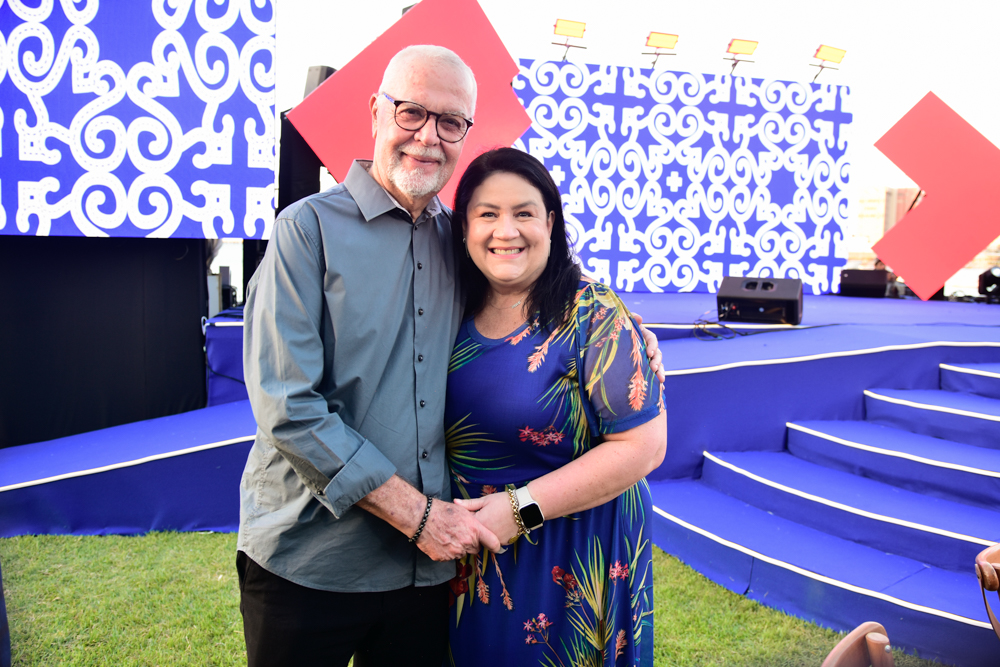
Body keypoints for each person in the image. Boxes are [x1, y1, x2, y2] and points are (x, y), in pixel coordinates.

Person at [238, 45, 663, 667]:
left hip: (427, 574)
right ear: (376, 112)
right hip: (314, 558)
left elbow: (534, 310)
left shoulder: (457, 244)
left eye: (450, 122)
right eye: (411, 113)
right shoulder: (307, 230)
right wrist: (417, 515)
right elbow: (288, 405)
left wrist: (627, 342)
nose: (428, 136)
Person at [443, 147, 667, 667]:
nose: (506, 231)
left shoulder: (593, 313)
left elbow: (644, 446)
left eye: (523, 213)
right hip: (471, 553)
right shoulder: (446, 305)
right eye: (487, 214)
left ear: (549, 222)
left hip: (574, 552)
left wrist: (518, 511)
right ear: (464, 227)